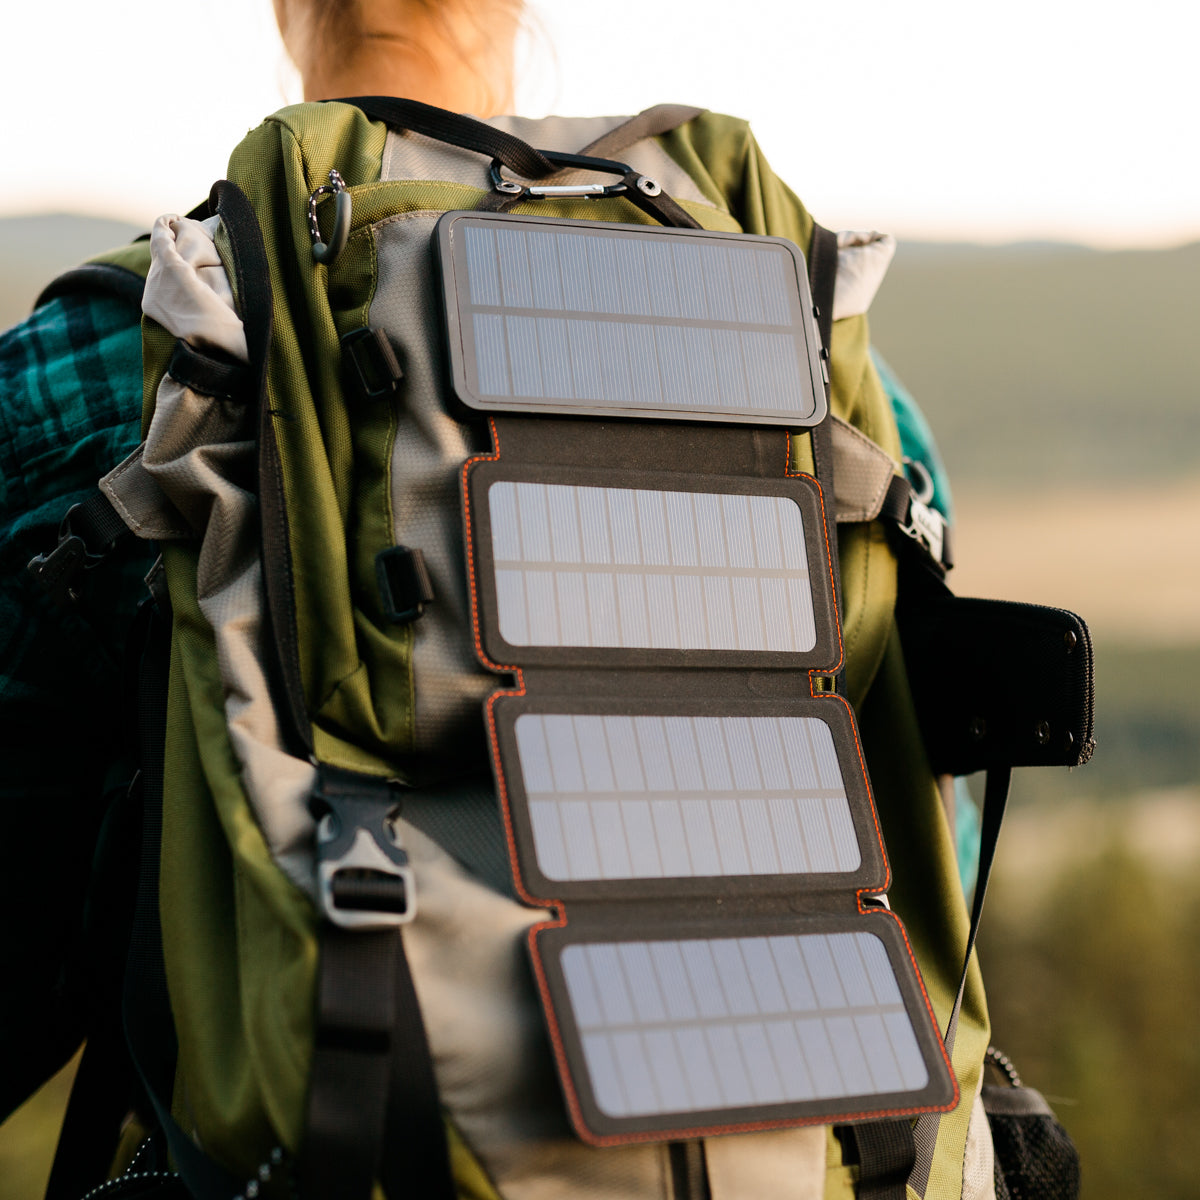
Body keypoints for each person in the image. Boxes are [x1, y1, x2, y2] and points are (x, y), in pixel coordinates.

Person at [0, 2, 985, 1197]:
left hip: (364, 1101)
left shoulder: (115, 355)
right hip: (827, 1146)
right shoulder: (826, 371)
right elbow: (927, 851)